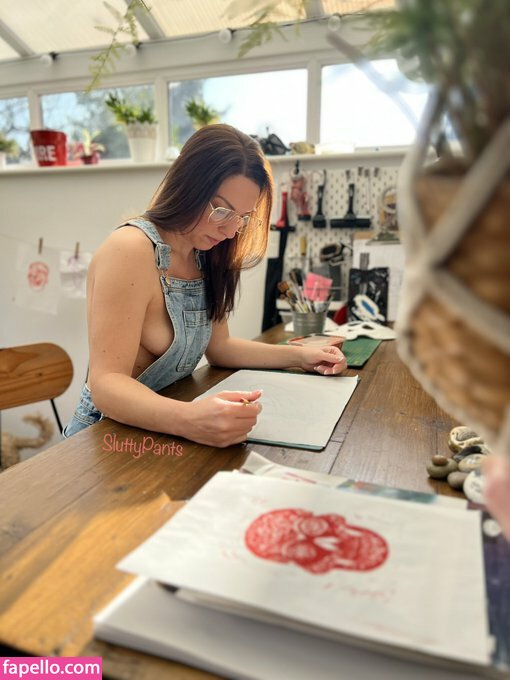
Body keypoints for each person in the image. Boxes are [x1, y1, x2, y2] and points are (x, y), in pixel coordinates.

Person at [64, 124, 346, 447]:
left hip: (156, 430)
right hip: (104, 439)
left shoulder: (204, 254)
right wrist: (192, 418)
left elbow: (221, 348)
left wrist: (301, 356)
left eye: (242, 217)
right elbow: (106, 385)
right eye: (222, 210)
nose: (230, 230)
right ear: (188, 186)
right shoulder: (129, 249)